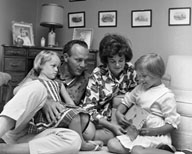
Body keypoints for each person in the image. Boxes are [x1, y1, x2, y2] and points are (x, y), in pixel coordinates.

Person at [107, 53, 180, 154]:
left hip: (156, 135)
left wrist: (153, 131)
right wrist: (119, 113)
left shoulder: (166, 95)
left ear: (158, 74)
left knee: (137, 151)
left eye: (144, 76)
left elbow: (172, 124)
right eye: (139, 76)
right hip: (137, 133)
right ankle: (147, 151)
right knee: (112, 144)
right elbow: (126, 102)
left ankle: (164, 150)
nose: (140, 80)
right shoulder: (139, 88)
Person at [0, 65, 81, 154]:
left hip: (32, 135)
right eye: (53, 65)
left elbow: (71, 105)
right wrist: (45, 101)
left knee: (74, 139)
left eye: (57, 67)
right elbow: (16, 90)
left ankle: (5, 149)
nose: (56, 69)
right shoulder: (34, 80)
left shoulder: (59, 84)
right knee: (38, 87)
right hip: (11, 129)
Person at [82, 33, 138, 145]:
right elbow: (88, 108)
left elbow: (138, 96)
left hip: (124, 118)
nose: (117, 65)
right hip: (103, 122)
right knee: (88, 133)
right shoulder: (98, 74)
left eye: (121, 60)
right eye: (112, 61)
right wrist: (111, 126)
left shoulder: (131, 71)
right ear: (106, 61)